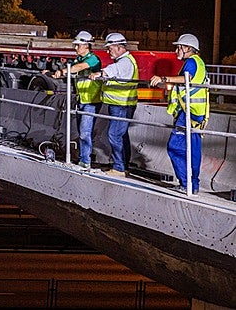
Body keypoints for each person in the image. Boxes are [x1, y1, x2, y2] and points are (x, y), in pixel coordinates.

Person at [150, 34, 209, 195]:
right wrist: (164, 83)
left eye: (179, 47)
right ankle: (192, 185)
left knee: (175, 146)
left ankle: (185, 183)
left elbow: (186, 79)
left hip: (188, 112)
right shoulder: (199, 63)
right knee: (193, 148)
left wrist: (163, 77)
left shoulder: (191, 62)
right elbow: (183, 84)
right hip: (196, 113)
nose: (177, 50)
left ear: (188, 49)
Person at [50, 31, 103, 169]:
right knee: (82, 131)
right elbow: (74, 68)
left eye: (77, 45)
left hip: (91, 100)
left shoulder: (93, 59)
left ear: (86, 45)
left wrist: (64, 71)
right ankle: (83, 158)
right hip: (82, 99)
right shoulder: (78, 59)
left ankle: (85, 161)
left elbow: (78, 68)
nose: (75, 48)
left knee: (85, 132)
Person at [89, 32, 138, 177]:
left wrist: (99, 74)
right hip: (120, 105)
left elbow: (112, 71)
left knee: (114, 135)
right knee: (122, 136)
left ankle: (119, 168)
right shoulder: (125, 61)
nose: (108, 50)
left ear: (118, 47)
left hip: (121, 106)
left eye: (110, 47)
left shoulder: (124, 62)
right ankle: (124, 165)